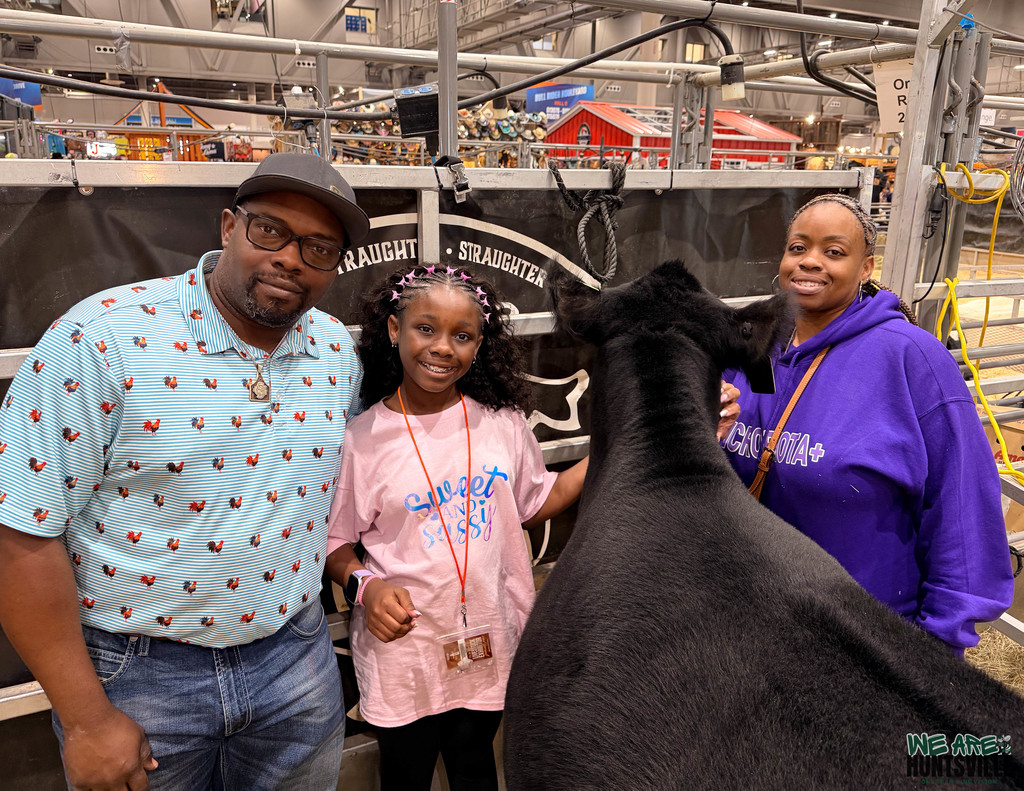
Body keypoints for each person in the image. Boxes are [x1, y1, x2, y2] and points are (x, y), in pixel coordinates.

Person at [0, 152, 371, 790]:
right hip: (138, 677)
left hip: (297, 660)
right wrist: (87, 720)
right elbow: (21, 534)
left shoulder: (336, 349)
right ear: (228, 227)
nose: (290, 259)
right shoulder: (104, 339)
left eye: (319, 248)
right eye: (270, 231)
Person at [323, 266, 585, 791]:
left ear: (479, 343)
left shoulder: (501, 423)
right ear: (394, 330)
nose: (443, 348)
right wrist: (365, 587)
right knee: (405, 777)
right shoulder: (361, 439)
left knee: (476, 769)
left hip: (490, 643)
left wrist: (620, 442)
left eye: (461, 336)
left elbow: (534, 504)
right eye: (426, 329)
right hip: (406, 653)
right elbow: (332, 541)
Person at [721, 193, 1014, 655]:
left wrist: (938, 649)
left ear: (866, 267)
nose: (810, 262)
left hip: (860, 642)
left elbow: (960, 507)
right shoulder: (749, 344)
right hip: (747, 620)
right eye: (798, 248)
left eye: (834, 252)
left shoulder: (909, 357)